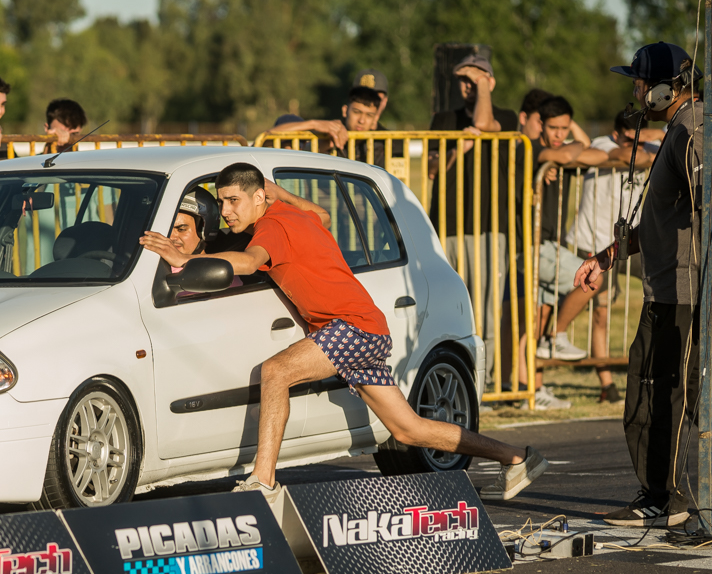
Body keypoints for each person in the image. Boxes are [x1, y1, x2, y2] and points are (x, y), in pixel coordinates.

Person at [141, 163, 548, 503]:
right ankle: (517, 457)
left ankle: (263, 481)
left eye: (234, 200)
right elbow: (323, 215)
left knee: (276, 372)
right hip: (367, 328)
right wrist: (281, 192)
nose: (226, 211)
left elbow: (248, 262)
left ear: (258, 198)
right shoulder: (295, 215)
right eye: (222, 201)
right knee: (408, 429)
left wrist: (182, 258)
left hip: (351, 327)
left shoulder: (272, 228)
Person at [574, 42, 703, 527]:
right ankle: (659, 496)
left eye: (641, 84)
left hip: (686, 295)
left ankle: (675, 502)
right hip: (664, 291)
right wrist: (607, 257)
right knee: (648, 396)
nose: (636, 92)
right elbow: (657, 221)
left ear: (668, 89)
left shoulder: (694, 130)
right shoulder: (678, 128)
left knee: (672, 400)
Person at [427, 54, 517, 384]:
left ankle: (485, 381)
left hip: (489, 226)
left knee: (487, 307)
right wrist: (458, 149)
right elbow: (431, 169)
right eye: (464, 80)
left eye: (477, 79)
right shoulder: (443, 119)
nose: (468, 85)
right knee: (450, 306)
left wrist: (481, 86)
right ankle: (452, 375)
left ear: (490, 83)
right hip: (448, 224)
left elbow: (483, 122)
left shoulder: (505, 117)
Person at [564, 111, 657, 403]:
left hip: (633, 239)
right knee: (601, 312)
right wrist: (644, 150)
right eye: (628, 139)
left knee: (661, 295)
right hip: (596, 241)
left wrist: (650, 140)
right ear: (616, 134)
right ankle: (607, 383)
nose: (634, 145)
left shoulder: (649, 145)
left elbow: (670, 145)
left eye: (638, 138)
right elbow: (625, 155)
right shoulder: (603, 144)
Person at [526, 96, 609, 406]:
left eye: (564, 127)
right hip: (534, 245)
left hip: (550, 245)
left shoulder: (561, 156)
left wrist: (567, 146)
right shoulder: (533, 149)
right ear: (540, 125)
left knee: (539, 318)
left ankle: (535, 390)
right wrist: (563, 154)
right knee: (593, 278)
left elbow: (598, 153)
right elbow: (572, 150)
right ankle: (556, 337)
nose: (559, 134)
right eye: (554, 127)